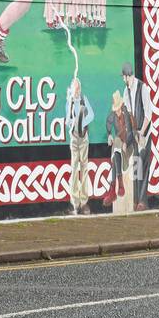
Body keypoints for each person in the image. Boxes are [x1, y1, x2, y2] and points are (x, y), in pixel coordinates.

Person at [122, 61, 153, 210]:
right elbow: (128, 113)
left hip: (145, 133)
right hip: (135, 133)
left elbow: (148, 114)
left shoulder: (143, 88)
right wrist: (130, 134)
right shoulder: (126, 91)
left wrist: (142, 132)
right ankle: (136, 200)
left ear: (129, 75)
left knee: (144, 165)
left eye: (124, 77)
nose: (123, 80)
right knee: (136, 165)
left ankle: (142, 201)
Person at [65, 76, 94, 214]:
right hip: (74, 138)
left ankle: (84, 201)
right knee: (74, 168)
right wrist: (70, 122)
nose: (76, 90)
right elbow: (67, 120)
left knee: (84, 167)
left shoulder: (83, 99)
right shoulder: (69, 102)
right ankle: (75, 202)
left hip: (83, 138)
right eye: (74, 87)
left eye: (78, 88)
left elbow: (91, 115)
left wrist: (83, 122)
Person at [103, 90, 134, 206]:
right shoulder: (113, 115)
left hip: (128, 146)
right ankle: (119, 184)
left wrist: (126, 142)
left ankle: (113, 188)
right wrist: (109, 134)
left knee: (116, 146)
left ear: (121, 105)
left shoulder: (126, 114)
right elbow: (108, 123)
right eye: (114, 109)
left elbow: (130, 132)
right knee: (116, 145)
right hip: (118, 146)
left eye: (117, 108)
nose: (116, 111)